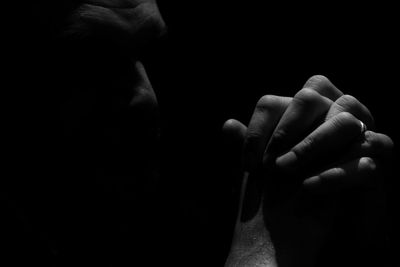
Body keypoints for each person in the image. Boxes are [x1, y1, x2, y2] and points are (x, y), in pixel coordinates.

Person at [3, 1, 394, 266]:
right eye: (89, 61)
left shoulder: (178, 216)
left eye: (148, 53)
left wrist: (357, 240)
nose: (146, 97)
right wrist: (258, 256)